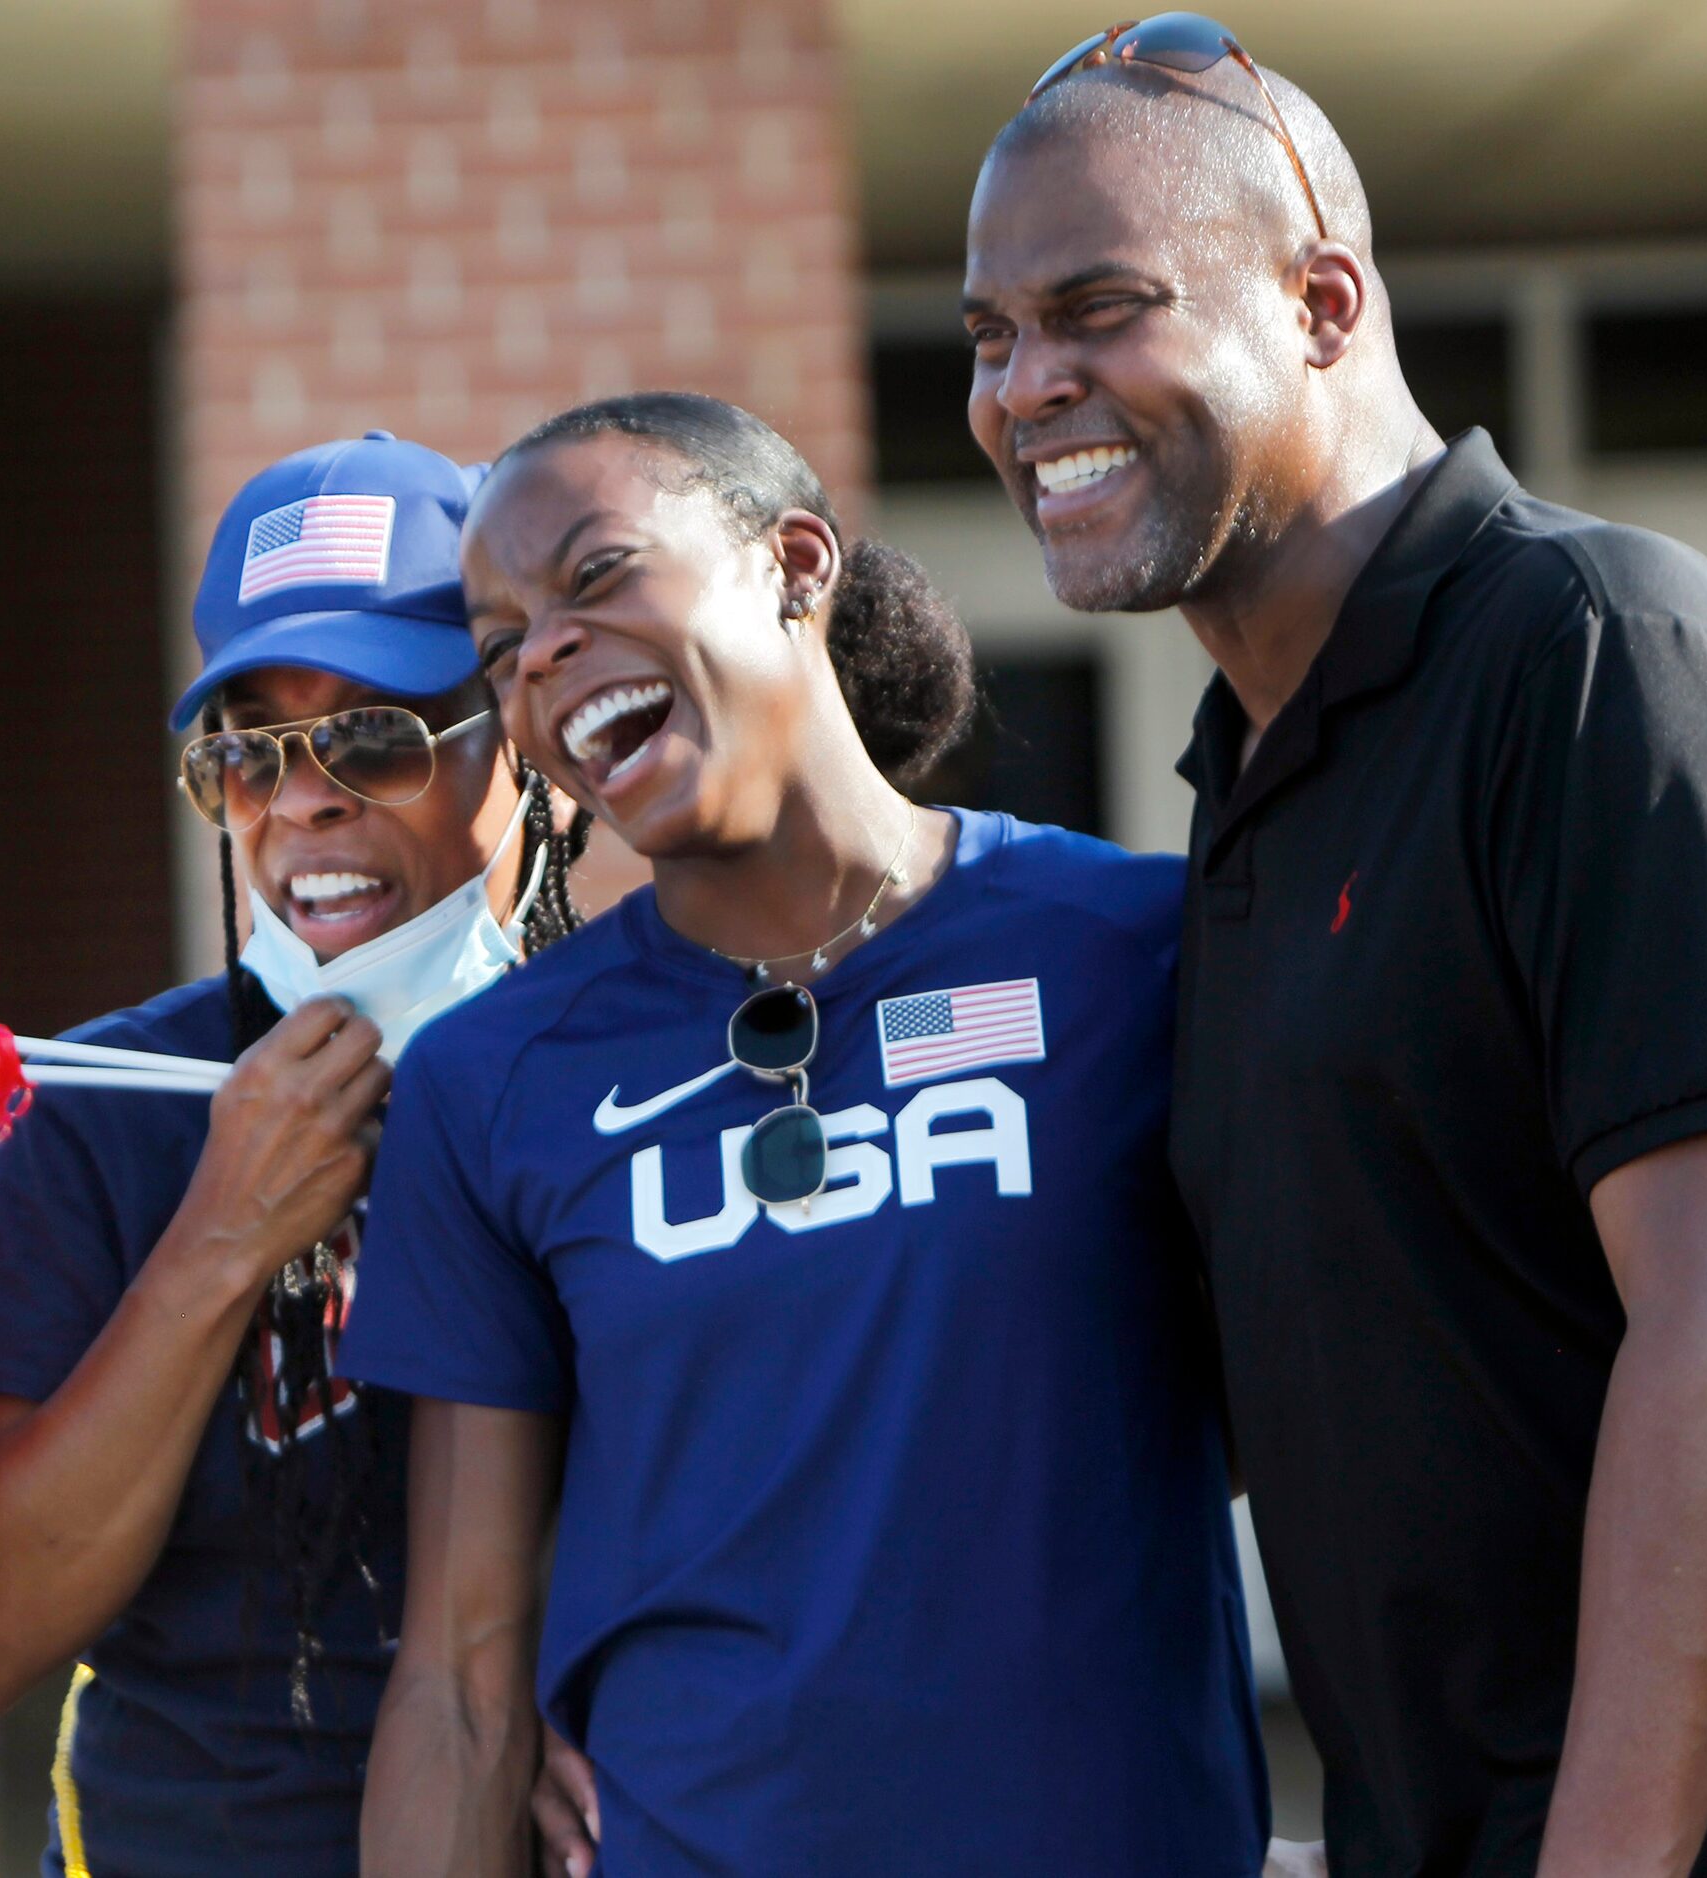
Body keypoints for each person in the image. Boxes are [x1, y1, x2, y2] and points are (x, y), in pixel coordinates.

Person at [963, 18, 1707, 1876]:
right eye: (991, 335)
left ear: (1321, 300)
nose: (1027, 386)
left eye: (1099, 306)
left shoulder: (1598, 652)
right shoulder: (1247, 789)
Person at [340, 392, 1273, 1876]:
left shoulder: (1135, 952)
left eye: (595, 577)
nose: (545, 657)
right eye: (504, 644)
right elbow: (461, 1671)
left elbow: (1328, 1420)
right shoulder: (494, 1080)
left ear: (794, 562)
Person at [0, 432, 590, 1876]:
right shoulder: (109, 1101)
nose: (303, 802)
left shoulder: (640, 1065)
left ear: (519, 741)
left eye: (373, 735)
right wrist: (223, 1234)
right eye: (248, 754)